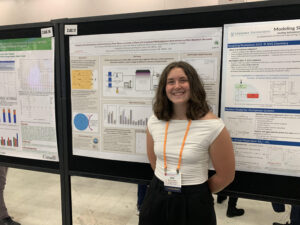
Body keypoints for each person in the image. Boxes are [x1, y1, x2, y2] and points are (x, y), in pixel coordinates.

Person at [139, 61, 235, 225]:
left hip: (194, 200)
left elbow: (226, 176)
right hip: (157, 194)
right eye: (171, 82)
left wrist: (197, 194)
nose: (177, 86)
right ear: (164, 88)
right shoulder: (155, 121)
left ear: (193, 84)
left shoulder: (213, 125)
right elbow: (154, 161)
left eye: (183, 80)